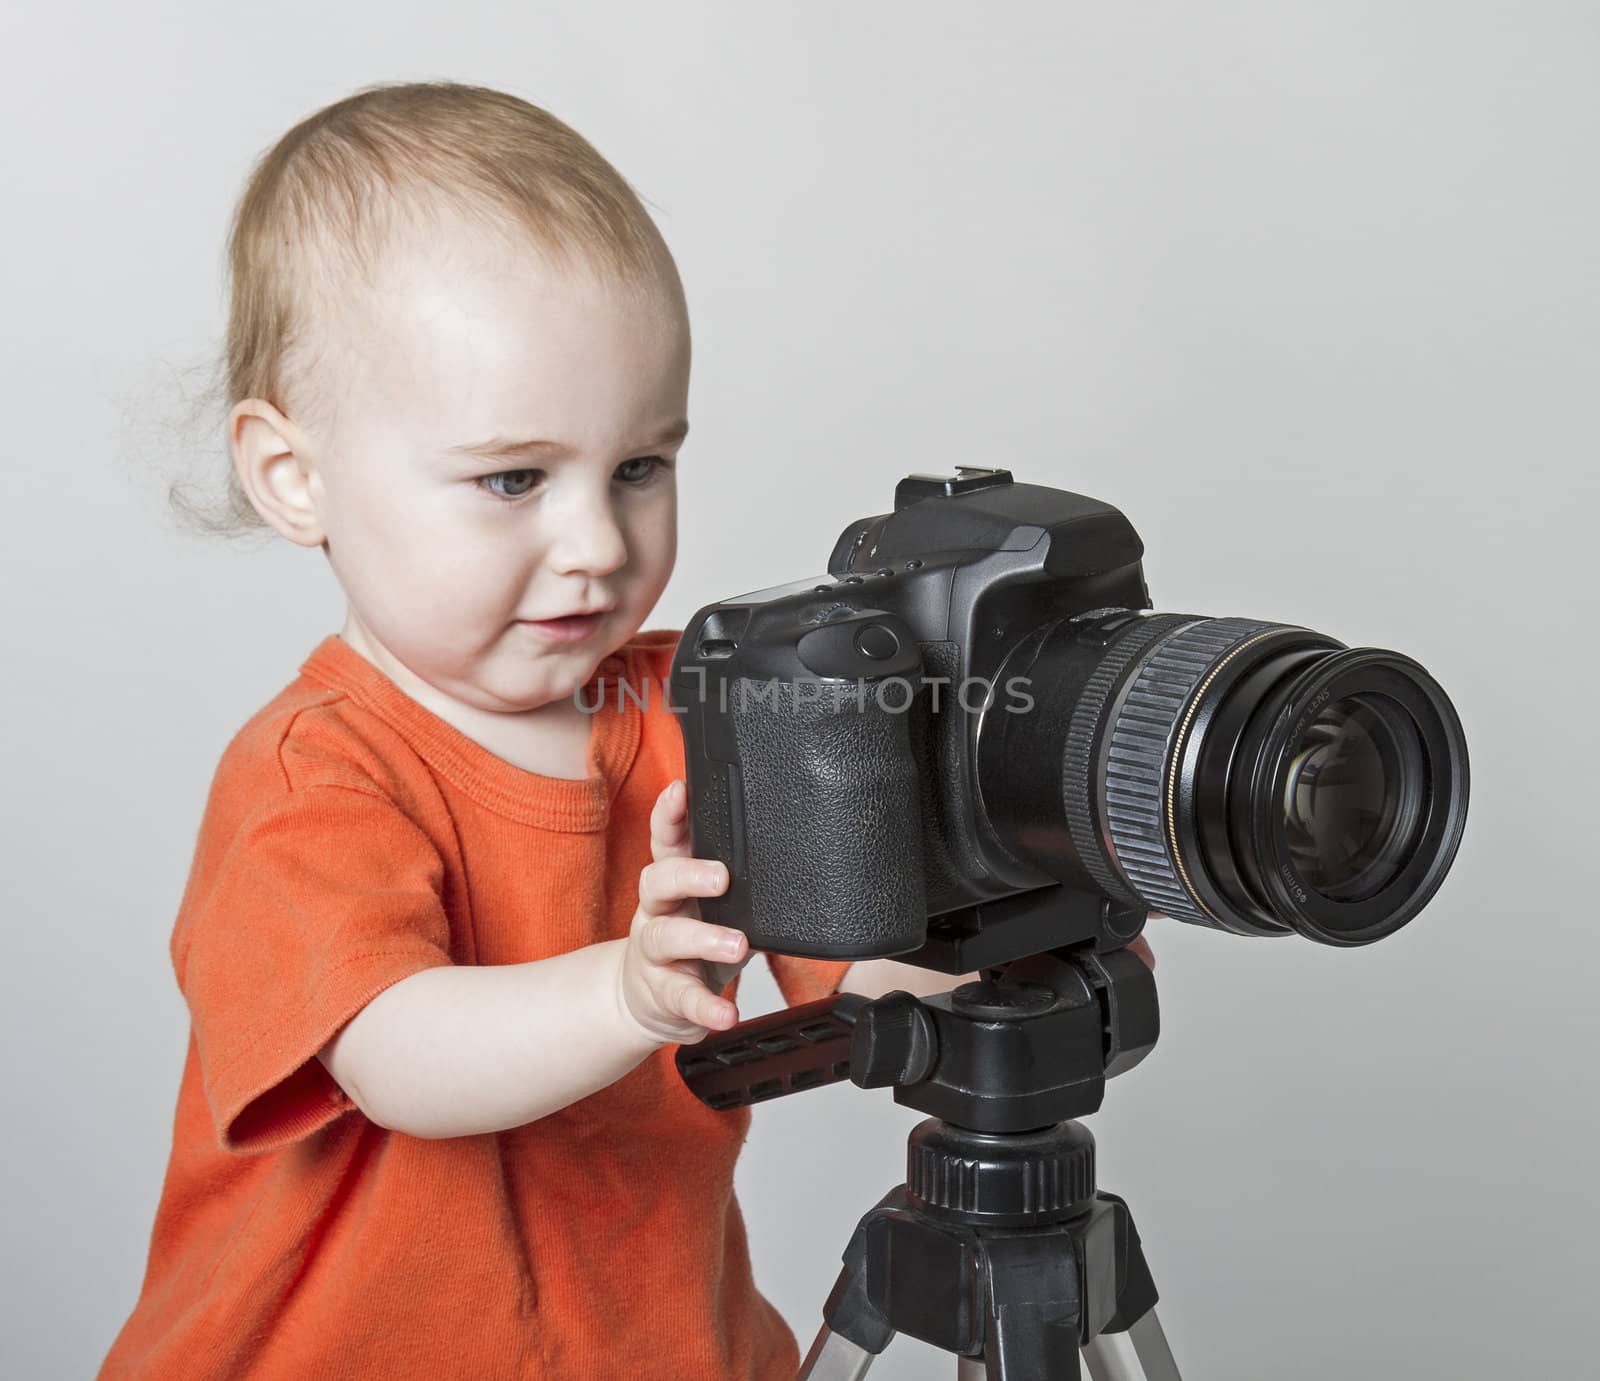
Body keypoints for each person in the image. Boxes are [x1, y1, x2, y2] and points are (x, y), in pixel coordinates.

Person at [102, 80, 1153, 1379]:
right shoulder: (315, 769)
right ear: (295, 475)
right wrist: (623, 991)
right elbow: (392, 1055)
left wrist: (1028, 888)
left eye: (640, 466)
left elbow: (879, 980)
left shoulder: (699, 702)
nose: (598, 543)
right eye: (513, 478)